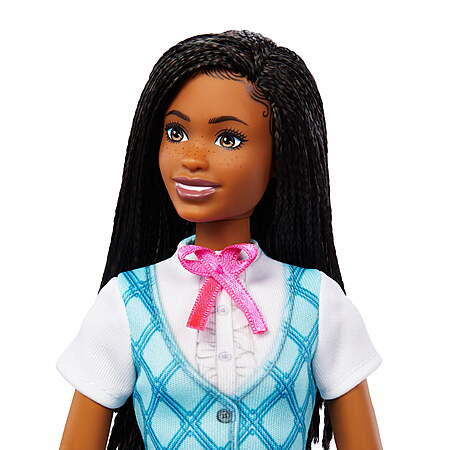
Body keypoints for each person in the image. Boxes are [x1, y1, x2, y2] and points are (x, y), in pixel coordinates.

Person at [57, 30, 383, 450]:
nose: (192, 158)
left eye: (229, 139)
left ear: (281, 153)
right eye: (175, 133)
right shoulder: (126, 303)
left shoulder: (318, 302)